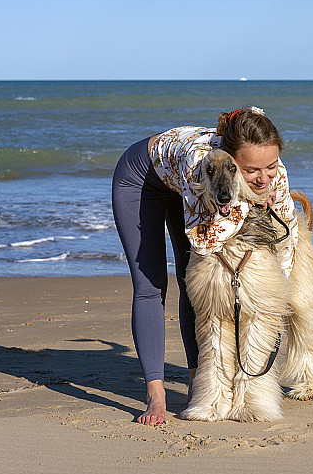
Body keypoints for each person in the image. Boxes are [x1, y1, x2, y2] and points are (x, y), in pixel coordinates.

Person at [111, 106, 299, 425]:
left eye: (270, 166)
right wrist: (244, 203)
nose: (264, 178)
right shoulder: (201, 163)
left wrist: (276, 292)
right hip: (142, 182)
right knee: (152, 285)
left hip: (188, 186)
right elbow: (204, 240)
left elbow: (286, 232)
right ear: (230, 158)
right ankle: (155, 395)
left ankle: (198, 384)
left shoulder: (271, 172)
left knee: (191, 286)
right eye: (252, 170)